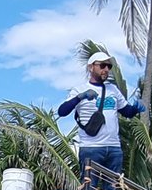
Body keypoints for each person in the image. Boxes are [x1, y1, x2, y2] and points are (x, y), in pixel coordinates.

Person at [57, 52, 145, 180]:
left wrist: (136, 108)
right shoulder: (79, 89)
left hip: (114, 147)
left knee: (113, 187)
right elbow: (62, 111)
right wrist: (80, 97)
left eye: (109, 66)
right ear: (91, 67)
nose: (106, 69)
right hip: (91, 147)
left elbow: (127, 112)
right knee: (89, 187)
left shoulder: (113, 90)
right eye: (102, 65)